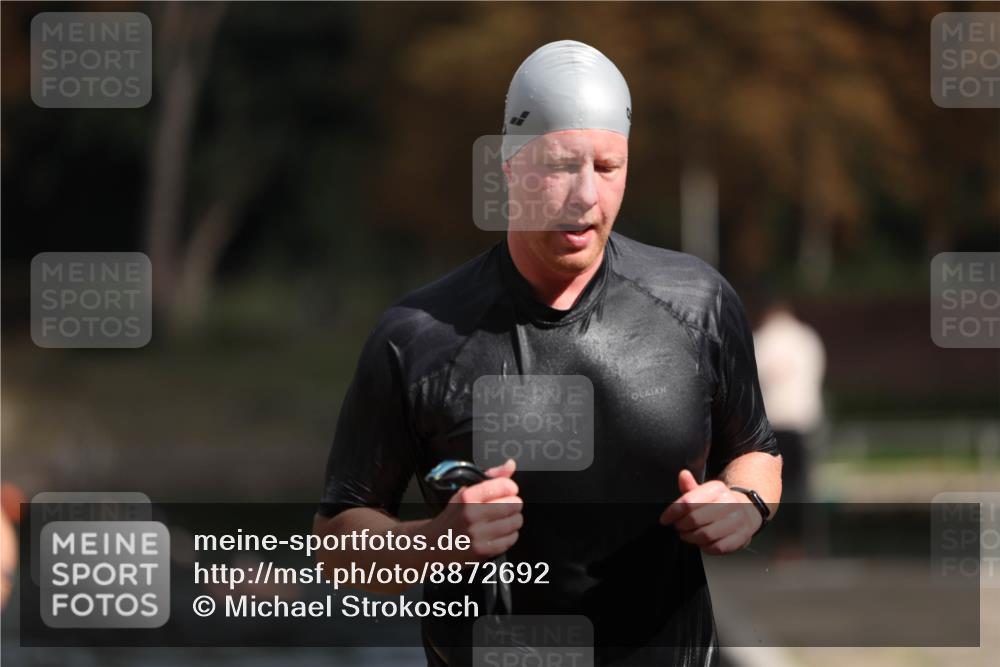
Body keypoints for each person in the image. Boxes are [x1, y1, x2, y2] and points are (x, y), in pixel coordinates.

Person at [313, 40, 782, 666]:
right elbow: (338, 543)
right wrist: (436, 542)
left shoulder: (697, 304)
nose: (585, 195)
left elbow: (757, 450)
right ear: (508, 165)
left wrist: (744, 505)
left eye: (607, 167)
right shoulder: (418, 337)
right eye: (561, 166)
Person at [753, 301, 825, 548]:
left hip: (772, 424)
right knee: (800, 485)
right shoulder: (807, 338)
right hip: (801, 422)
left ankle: (780, 542)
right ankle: (801, 541)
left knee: (773, 485)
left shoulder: (760, 340)